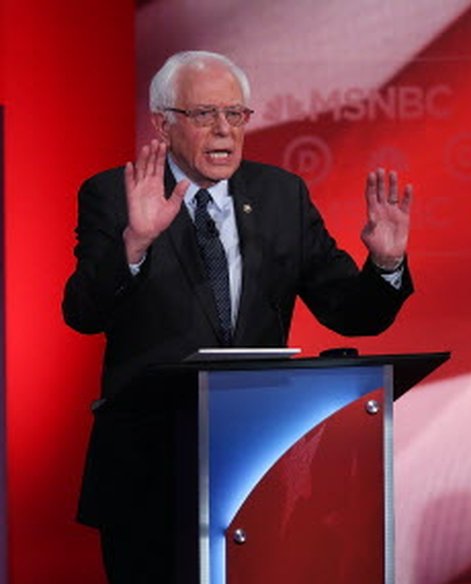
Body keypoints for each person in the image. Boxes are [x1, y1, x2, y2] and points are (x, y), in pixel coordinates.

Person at [62, 50, 414, 582]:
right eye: (204, 115)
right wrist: (135, 244)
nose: (224, 130)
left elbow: (348, 311)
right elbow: (83, 313)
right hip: (150, 471)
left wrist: (385, 265)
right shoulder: (114, 195)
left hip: (260, 468)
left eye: (236, 114)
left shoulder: (280, 196)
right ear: (163, 122)